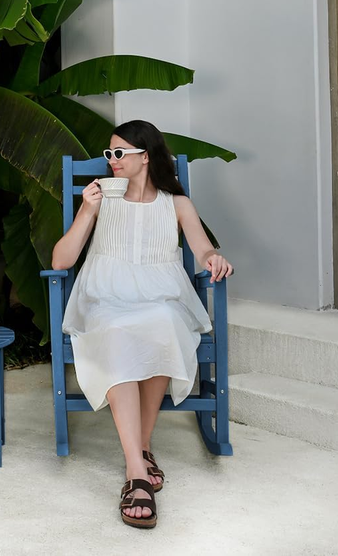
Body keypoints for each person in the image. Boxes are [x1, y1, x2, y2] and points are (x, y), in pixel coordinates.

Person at [52, 120, 233, 530]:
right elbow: (61, 260)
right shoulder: (101, 199)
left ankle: (141, 449)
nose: (111, 160)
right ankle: (137, 467)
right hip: (105, 295)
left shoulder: (177, 204)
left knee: (164, 322)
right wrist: (87, 210)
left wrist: (214, 260)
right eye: (109, 153)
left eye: (119, 153)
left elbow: (203, 249)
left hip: (159, 294)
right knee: (117, 328)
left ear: (145, 156)